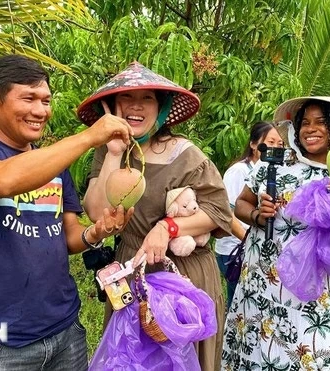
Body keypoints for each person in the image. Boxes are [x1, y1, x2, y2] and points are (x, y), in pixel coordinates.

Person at [0, 54, 134, 370]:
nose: (40, 110)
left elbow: (67, 235)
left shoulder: (54, 165)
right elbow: (4, 180)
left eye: (46, 100)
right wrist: (88, 137)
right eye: (28, 98)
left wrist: (95, 232)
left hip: (65, 330)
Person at [78, 61, 233, 370]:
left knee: (181, 359)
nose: (136, 106)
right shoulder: (108, 153)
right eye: (127, 98)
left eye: (147, 98)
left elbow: (219, 213)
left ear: (161, 108)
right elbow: (97, 213)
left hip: (184, 274)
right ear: (113, 106)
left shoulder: (185, 154)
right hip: (133, 270)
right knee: (132, 357)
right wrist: (112, 152)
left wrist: (168, 226)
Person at [221, 96, 330, 370]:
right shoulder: (274, 164)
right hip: (258, 286)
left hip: (309, 296)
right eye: (305, 122)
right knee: (252, 355)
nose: (310, 129)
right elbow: (242, 204)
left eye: (321, 122)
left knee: (305, 358)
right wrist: (257, 215)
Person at [215, 121, 283, 310]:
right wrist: (248, 239)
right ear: (254, 144)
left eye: (280, 144)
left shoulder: (274, 170)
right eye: (270, 142)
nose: (276, 147)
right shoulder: (239, 171)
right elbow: (227, 211)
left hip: (252, 249)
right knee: (238, 302)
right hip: (233, 250)